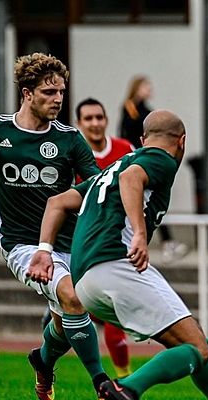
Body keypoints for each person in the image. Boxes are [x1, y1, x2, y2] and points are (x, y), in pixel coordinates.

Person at [28, 110, 208, 400]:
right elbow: (133, 179)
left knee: (196, 344)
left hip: (85, 283)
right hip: (117, 266)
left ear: (141, 139)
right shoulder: (161, 159)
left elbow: (57, 201)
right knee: (196, 349)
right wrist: (140, 235)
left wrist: (45, 248)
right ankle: (128, 387)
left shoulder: (110, 169)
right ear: (181, 142)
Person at [0, 53, 109, 400]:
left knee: (63, 319)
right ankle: (103, 384)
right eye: (48, 92)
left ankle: (43, 361)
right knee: (72, 298)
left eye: (61, 91)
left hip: (71, 243)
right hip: (23, 245)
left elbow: (94, 185)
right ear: (26, 94)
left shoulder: (70, 139)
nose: (58, 99)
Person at [74, 97, 136, 376]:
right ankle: (46, 360)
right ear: (79, 123)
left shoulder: (126, 150)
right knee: (67, 315)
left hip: (115, 245)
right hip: (79, 248)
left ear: (106, 120)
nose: (95, 123)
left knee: (115, 311)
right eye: (88, 118)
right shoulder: (72, 153)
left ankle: (123, 380)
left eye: (99, 117)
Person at [119, 75, 188, 263]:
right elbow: (127, 133)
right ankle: (154, 241)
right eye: (145, 86)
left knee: (153, 204)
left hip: (148, 162)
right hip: (140, 162)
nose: (149, 90)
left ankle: (166, 242)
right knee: (143, 204)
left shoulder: (147, 110)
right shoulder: (131, 108)